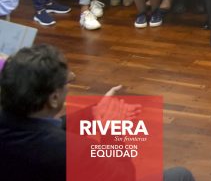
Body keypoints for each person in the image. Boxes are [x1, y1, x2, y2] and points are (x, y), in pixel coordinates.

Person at [0, 44, 195, 181]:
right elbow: (124, 177)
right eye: (67, 82)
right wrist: (112, 129)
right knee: (180, 175)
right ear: (54, 98)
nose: (71, 80)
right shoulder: (75, 151)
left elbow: (46, 128)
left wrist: (95, 112)